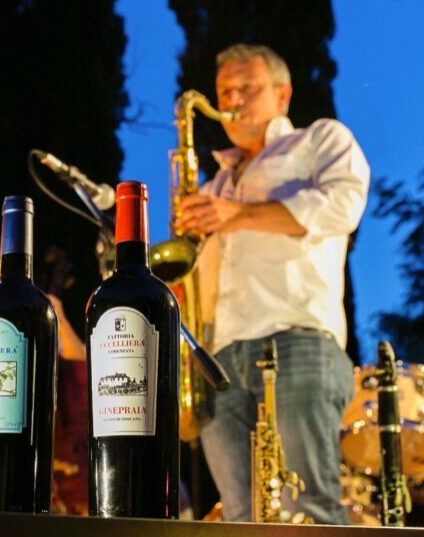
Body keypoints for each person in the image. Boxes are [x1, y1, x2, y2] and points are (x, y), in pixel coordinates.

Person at [176, 44, 370, 524]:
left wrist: (236, 215)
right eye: (225, 91)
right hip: (219, 359)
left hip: (296, 339)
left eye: (248, 87)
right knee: (239, 517)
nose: (233, 99)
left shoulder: (321, 140)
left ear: (283, 95)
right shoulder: (216, 183)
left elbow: (343, 208)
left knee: (311, 509)